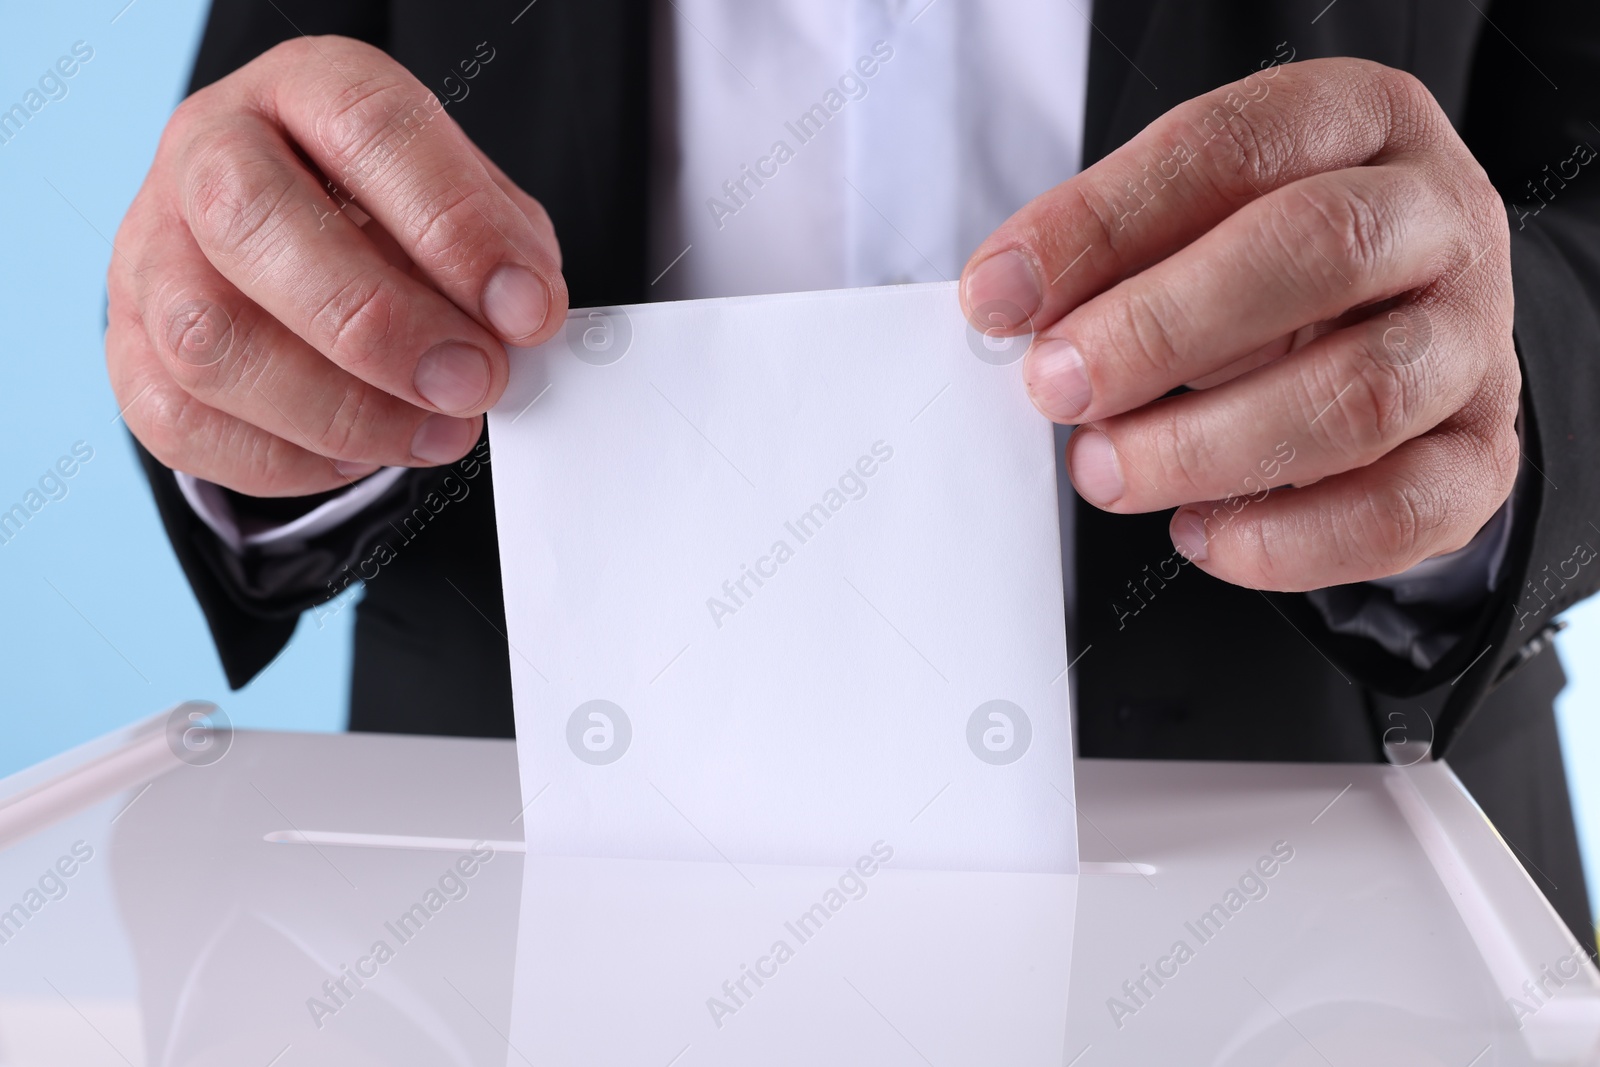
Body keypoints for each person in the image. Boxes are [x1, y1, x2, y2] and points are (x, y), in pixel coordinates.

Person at [106, 0, 1600, 948]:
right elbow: (268, 197)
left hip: (1330, 919)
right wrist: (256, 355)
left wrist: (1466, 389)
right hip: (493, 927)